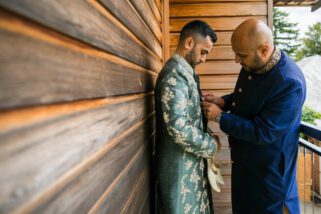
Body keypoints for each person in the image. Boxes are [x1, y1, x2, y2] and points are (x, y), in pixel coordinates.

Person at [202, 19, 306, 214]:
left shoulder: (290, 83)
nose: (236, 61)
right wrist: (224, 101)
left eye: (241, 55)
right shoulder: (255, 62)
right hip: (245, 167)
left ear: (264, 50)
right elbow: (249, 98)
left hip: (269, 179)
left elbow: (263, 131)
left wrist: (220, 117)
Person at [154, 20, 220, 213]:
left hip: (189, 168)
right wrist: (211, 145)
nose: (204, 59)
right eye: (204, 52)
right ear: (189, 43)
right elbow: (179, 128)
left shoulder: (185, 73)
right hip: (179, 171)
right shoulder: (174, 75)